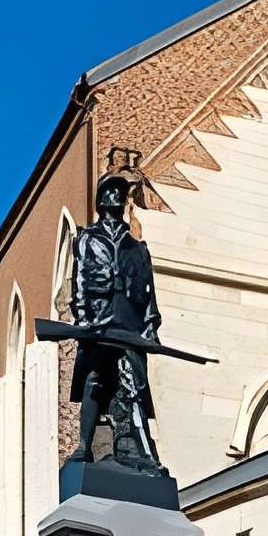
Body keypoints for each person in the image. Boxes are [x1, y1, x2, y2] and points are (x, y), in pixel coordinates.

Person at [68, 169, 165, 472]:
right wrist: (84, 318)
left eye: (119, 192)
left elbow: (147, 291)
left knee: (133, 386)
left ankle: (140, 449)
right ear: (100, 199)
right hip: (99, 321)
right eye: (109, 191)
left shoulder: (137, 248)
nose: (115, 196)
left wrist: (151, 325)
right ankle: (84, 446)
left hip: (129, 322)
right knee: (94, 381)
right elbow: (80, 281)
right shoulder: (87, 239)